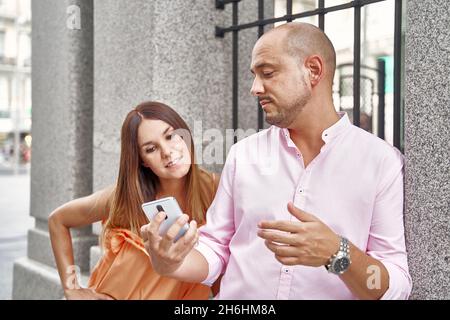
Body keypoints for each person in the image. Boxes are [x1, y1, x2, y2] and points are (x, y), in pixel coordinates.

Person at [141, 22, 412, 300]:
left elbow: (395, 286)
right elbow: (216, 248)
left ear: (314, 70)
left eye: (267, 73)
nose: (255, 88)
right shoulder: (243, 154)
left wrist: (338, 252)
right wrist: (171, 262)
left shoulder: (381, 163)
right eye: (255, 75)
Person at [48, 101, 220, 300]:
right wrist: (72, 288)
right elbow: (57, 220)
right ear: (142, 161)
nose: (167, 152)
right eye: (150, 149)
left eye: (171, 136)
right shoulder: (127, 196)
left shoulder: (216, 188)